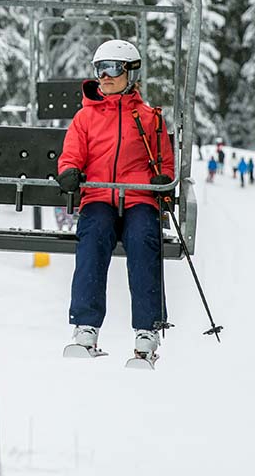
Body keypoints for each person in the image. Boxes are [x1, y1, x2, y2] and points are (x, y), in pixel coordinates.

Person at [56, 39, 175, 362]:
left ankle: (147, 331)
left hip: (138, 197)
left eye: (112, 69)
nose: (105, 77)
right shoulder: (86, 118)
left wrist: (162, 181)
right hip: (99, 195)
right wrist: (69, 171)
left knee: (143, 239)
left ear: (131, 73)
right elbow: (71, 155)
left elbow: (164, 162)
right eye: (99, 69)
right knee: (93, 238)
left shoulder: (149, 118)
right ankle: (86, 327)